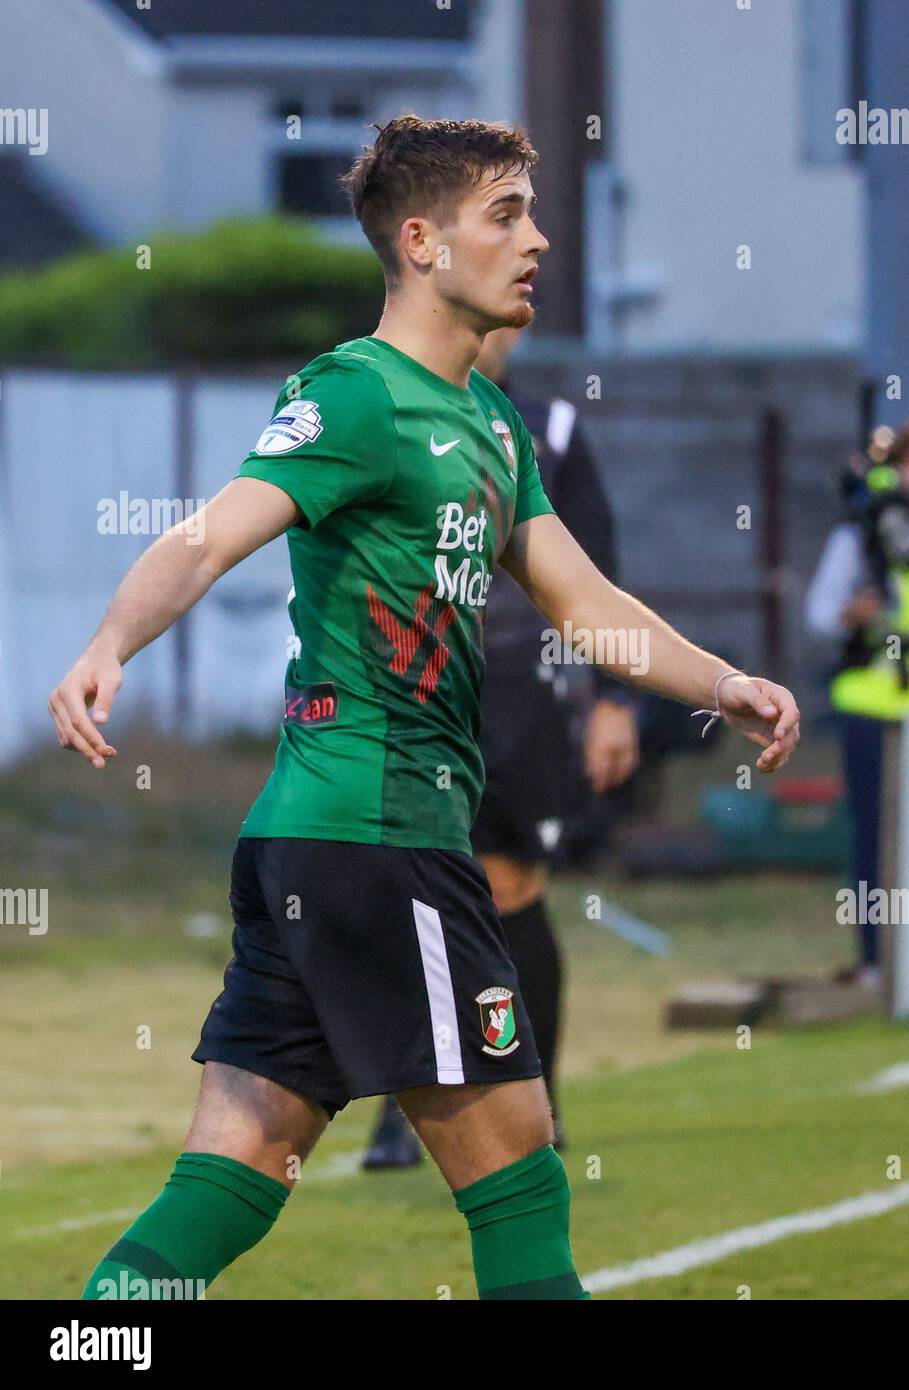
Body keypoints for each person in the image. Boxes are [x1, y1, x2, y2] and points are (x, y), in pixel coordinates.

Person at [49, 115, 800, 1301]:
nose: (538, 240)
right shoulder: (356, 394)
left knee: (238, 1162)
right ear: (421, 240)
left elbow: (585, 603)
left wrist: (719, 682)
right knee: (519, 1172)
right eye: (505, 214)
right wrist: (109, 642)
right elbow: (208, 538)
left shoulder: (497, 429)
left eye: (533, 213)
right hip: (378, 834)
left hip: (326, 840)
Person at [362, 324, 639, 1168]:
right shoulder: (384, 414)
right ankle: (407, 1107)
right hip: (409, 685)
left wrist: (616, 700)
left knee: (509, 890)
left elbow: (598, 576)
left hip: (517, 688)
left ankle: (534, 1106)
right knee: (412, 891)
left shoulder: (547, 428)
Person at [805, 416, 909, 986]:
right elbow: (821, 612)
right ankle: (878, 959)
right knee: (876, 832)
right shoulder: (860, 537)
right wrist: (854, 613)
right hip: (874, 706)